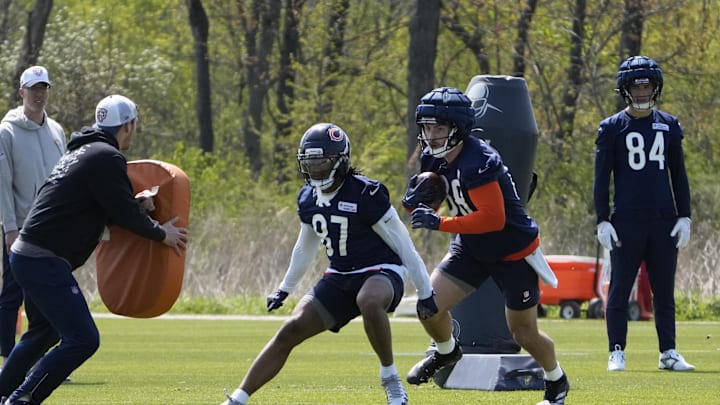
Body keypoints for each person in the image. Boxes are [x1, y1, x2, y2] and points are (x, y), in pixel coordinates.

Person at [221, 123, 437, 405]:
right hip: (339, 275)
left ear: (340, 161)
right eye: (310, 164)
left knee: (369, 300)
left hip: (382, 269)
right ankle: (237, 399)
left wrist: (425, 291)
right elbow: (305, 247)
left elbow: (403, 244)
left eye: (322, 163)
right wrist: (285, 289)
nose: (316, 170)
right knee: (291, 330)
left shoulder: (365, 193)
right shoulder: (308, 198)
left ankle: (390, 378)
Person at [0, 95, 188, 404]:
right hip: (42, 259)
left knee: (42, 334)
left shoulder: (82, 151)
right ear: (128, 126)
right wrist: (159, 233)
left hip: (26, 254)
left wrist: (136, 204)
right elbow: (123, 214)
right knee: (83, 339)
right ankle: (22, 399)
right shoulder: (107, 157)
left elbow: (107, 207)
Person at [401, 87, 569, 405]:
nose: (431, 135)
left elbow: (493, 219)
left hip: (513, 252)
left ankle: (556, 381)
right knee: (429, 306)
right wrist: (420, 204)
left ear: (458, 128)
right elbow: (432, 205)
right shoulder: (432, 157)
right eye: (427, 127)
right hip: (472, 248)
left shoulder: (479, 160)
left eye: (439, 128)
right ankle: (447, 351)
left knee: (523, 333)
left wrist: (440, 223)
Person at [594, 56, 694, 372]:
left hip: (663, 219)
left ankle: (668, 351)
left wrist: (685, 215)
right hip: (626, 220)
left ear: (655, 87)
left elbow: (679, 174)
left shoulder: (669, 124)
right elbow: (601, 178)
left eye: (646, 85)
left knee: (664, 290)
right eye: (636, 86)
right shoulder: (612, 127)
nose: (642, 91)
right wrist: (602, 219)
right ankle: (617, 351)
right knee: (621, 288)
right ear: (626, 89)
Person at [0, 66, 66, 368]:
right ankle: (7, 359)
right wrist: (10, 229)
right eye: (33, 89)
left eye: (44, 89)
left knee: (46, 296)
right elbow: (3, 183)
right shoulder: (7, 131)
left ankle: (39, 359)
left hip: (51, 228)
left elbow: (63, 180)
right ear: (21, 92)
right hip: (21, 229)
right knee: (13, 295)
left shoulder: (56, 131)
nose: (39, 95)